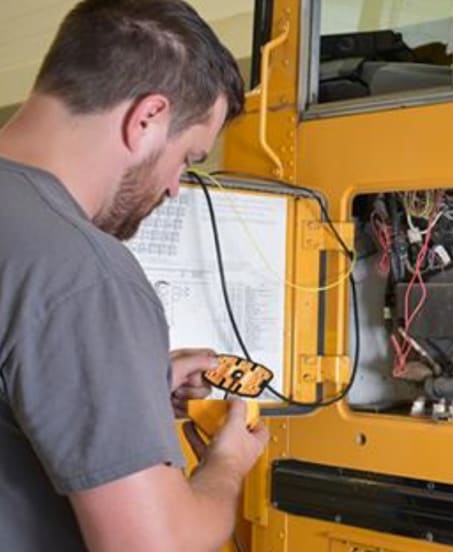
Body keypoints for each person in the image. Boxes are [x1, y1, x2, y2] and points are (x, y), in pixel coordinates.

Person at [0, 1, 269, 550]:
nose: (175, 187)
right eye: (187, 157)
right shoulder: (82, 271)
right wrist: (227, 465)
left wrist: (129, 383)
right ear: (146, 118)